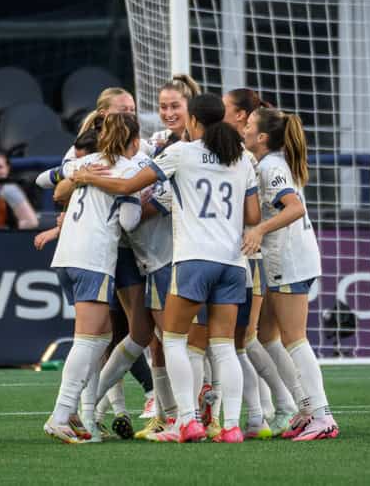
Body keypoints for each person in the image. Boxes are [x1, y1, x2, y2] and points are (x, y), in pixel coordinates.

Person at [71, 93, 261, 443]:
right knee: (223, 347)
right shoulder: (241, 158)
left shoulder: (180, 153)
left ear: (193, 121)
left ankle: (185, 422)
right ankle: (232, 426)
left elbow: (129, 186)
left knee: (172, 340)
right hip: (234, 264)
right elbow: (253, 217)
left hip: (193, 259)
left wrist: (91, 178)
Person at [42, 113, 143, 444]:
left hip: (66, 256)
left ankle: (78, 413)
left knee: (102, 336)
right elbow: (129, 222)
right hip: (93, 257)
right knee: (87, 339)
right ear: (133, 142)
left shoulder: (85, 162)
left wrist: (75, 176)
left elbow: (44, 180)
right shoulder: (128, 169)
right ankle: (62, 414)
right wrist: (135, 201)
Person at [241, 106, 339, 441]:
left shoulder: (270, 166)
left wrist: (258, 231)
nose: (244, 128)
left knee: (295, 338)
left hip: (290, 260)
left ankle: (322, 415)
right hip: (283, 259)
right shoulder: (268, 163)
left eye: (250, 125)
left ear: (263, 137)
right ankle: (304, 407)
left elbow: (295, 207)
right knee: (265, 335)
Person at [223, 88, 298, 438]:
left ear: (242, 117)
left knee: (247, 338)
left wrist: (256, 229)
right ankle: (277, 408)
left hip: (252, 255)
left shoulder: (255, 160)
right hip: (247, 253)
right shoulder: (243, 152)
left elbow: (287, 207)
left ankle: (287, 406)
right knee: (256, 337)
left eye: (228, 108)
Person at [0, 148, 38, 230]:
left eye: (0, 167)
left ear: (7, 168)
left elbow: (31, 222)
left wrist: (7, 229)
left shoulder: (9, 189)